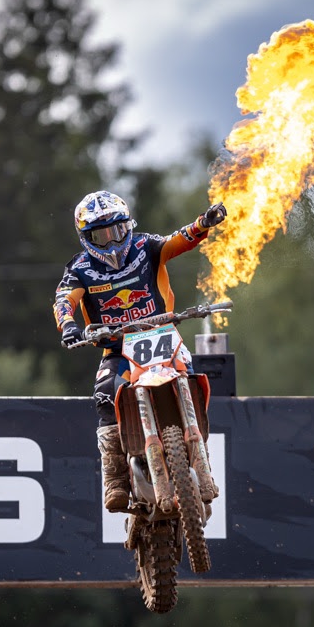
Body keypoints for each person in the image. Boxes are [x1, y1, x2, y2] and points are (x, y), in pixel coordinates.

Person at [53, 190, 227, 511]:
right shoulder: (79, 269)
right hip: (117, 351)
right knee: (105, 394)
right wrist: (68, 326)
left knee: (190, 376)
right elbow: (64, 300)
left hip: (163, 336)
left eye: (117, 230)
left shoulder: (145, 246)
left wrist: (203, 224)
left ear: (128, 225)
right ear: (86, 238)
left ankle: (201, 461)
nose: (111, 241)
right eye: (101, 236)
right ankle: (115, 479)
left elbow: (177, 241)